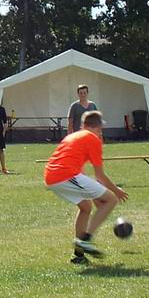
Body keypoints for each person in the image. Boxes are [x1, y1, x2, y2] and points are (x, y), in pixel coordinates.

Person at [44, 110, 129, 265]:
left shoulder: (74, 136)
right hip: (64, 175)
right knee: (111, 199)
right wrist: (116, 191)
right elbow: (100, 175)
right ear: (99, 128)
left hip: (52, 176)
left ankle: (78, 255)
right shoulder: (93, 139)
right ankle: (86, 240)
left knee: (85, 207)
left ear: (84, 125)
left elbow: (81, 172)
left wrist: (95, 195)